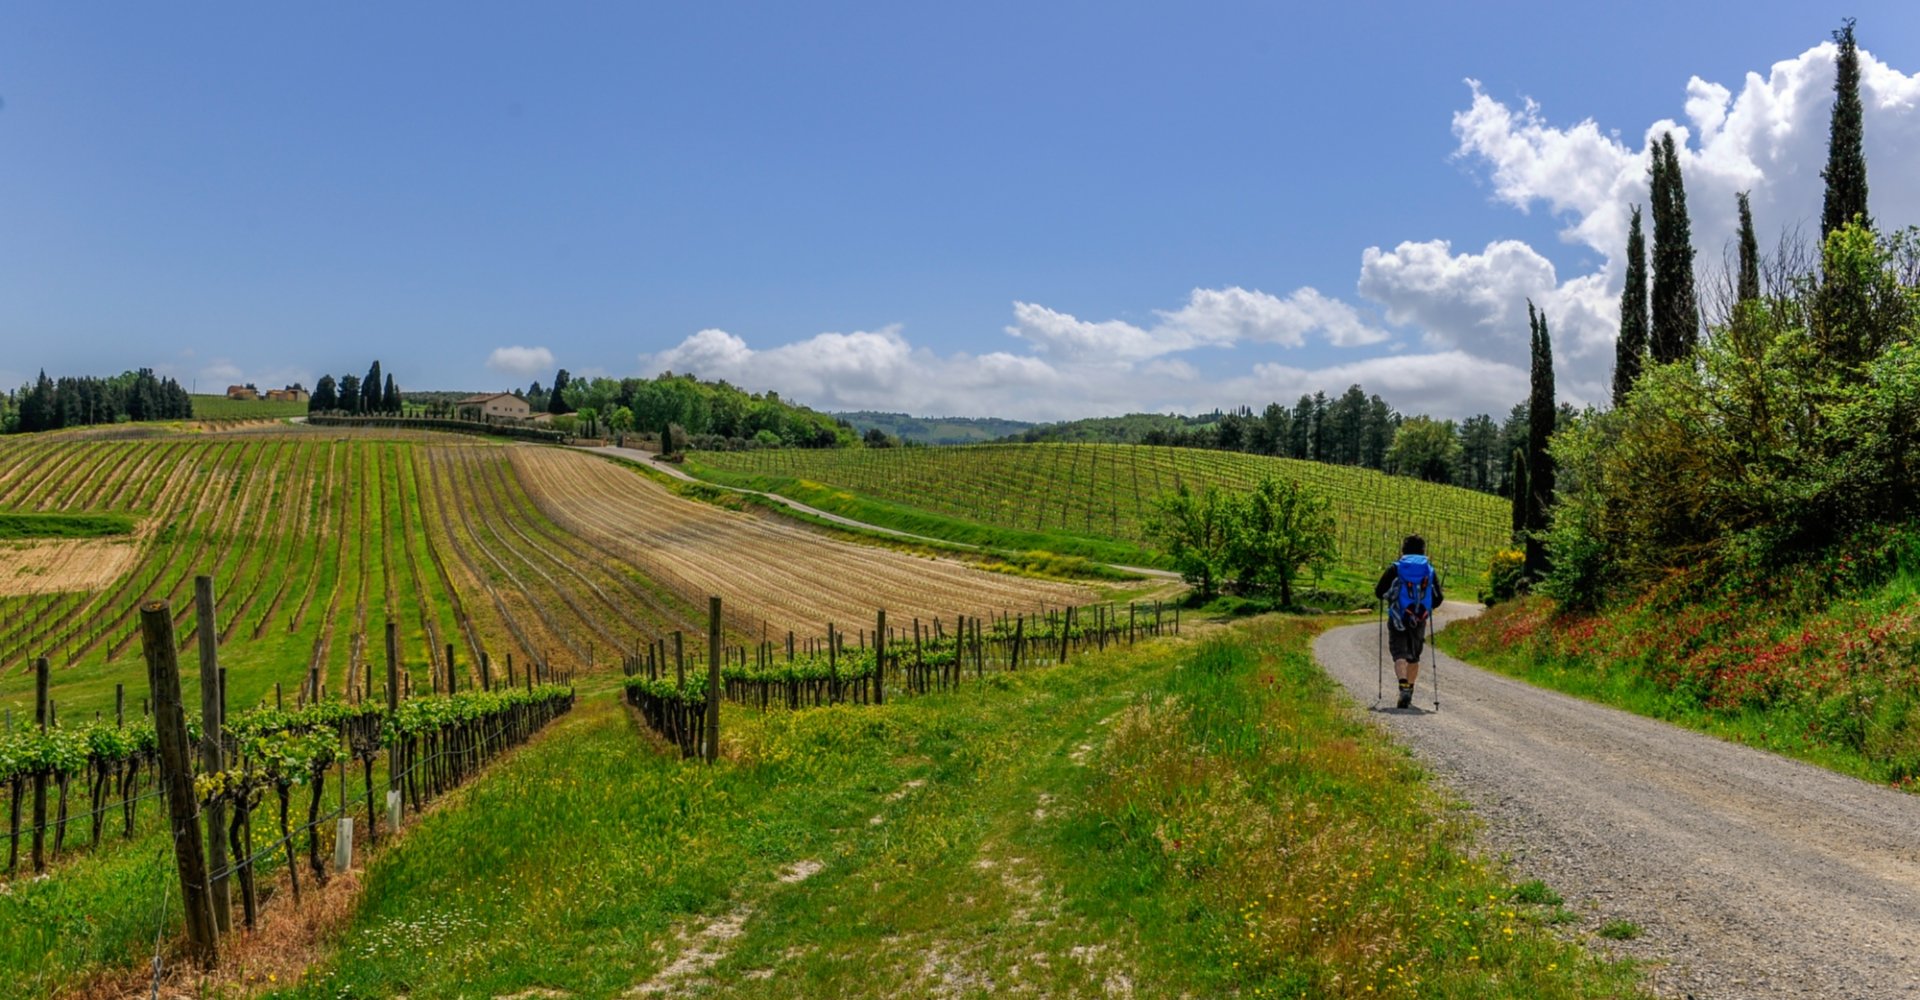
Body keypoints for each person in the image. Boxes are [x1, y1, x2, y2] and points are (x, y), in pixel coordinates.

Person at [1375, 535, 1443, 709]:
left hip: (1398, 616)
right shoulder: (1429, 570)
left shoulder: (1396, 568)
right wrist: (1426, 610)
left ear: (1403, 550)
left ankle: (1403, 686)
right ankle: (1409, 691)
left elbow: (1379, 591)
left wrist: (1390, 598)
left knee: (1399, 654)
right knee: (1414, 655)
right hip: (1419, 618)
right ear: (1423, 550)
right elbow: (1439, 598)